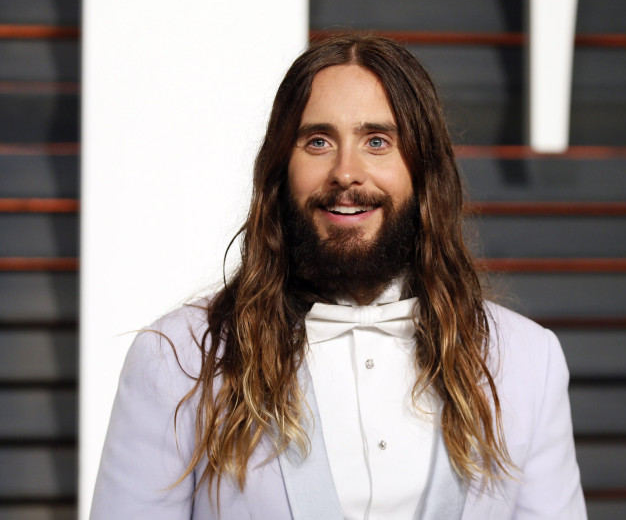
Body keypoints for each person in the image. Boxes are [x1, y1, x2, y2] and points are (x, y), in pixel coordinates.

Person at [90, 33, 586, 519]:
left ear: (423, 171)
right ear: (281, 169)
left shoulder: (527, 362)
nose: (346, 172)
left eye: (377, 141)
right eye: (318, 141)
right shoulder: (175, 360)